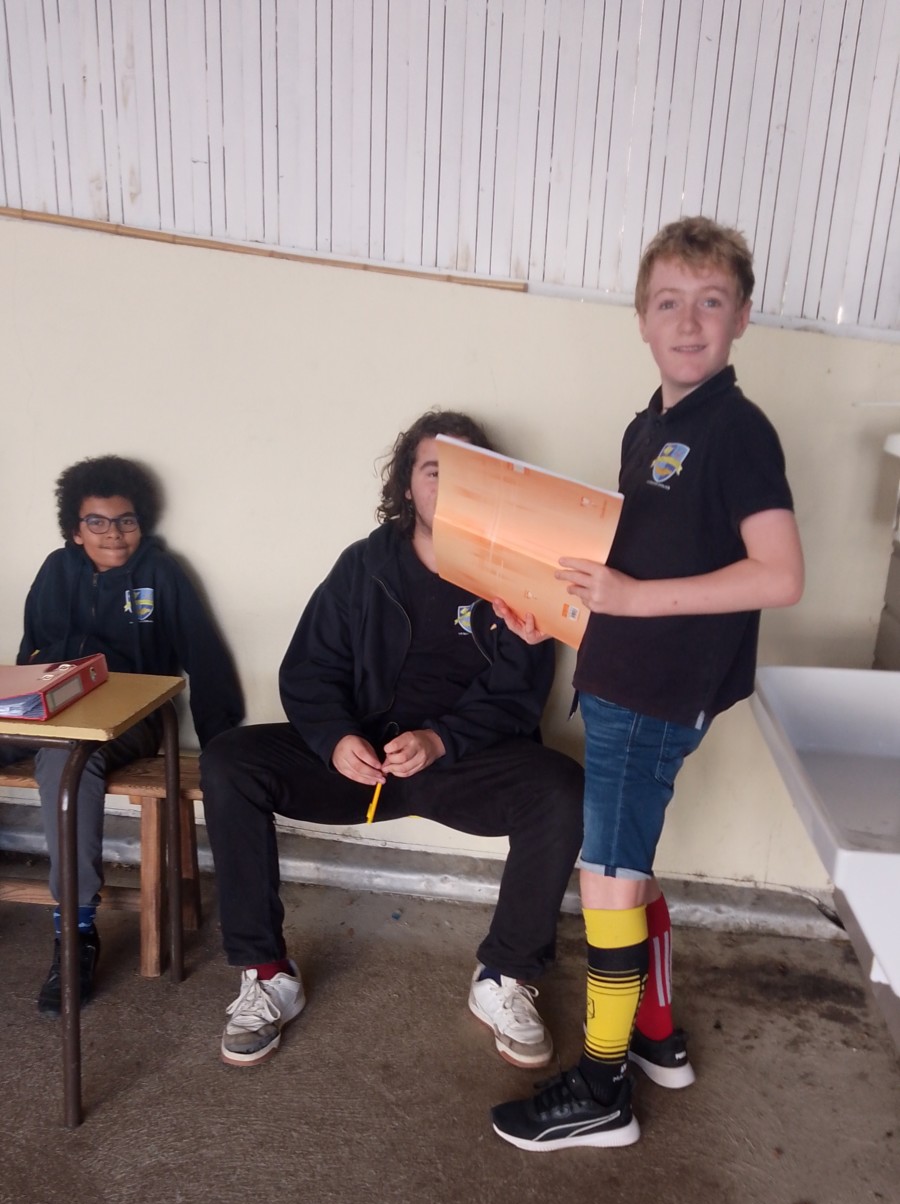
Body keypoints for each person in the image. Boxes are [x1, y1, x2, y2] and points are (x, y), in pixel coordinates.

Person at [490, 216, 805, 1151]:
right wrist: (559, 616)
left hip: (657, 694)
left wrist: (628, 599)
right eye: (669, 302)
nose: (689, 321)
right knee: (625, 863)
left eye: (711, 302)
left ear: (742, 317)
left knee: (610, 879)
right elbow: (630, 571)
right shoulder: (651, 427)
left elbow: (780, 575)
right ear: (640, 318)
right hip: (622, 678)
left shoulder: (738, 431)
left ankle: (602, 1088)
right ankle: (655, 1039)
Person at [201, 409, 589, 1070]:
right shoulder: (364, 565)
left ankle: (505, 976)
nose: (450, 486)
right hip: (363, 764)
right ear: (408, 484)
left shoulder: (514, 571)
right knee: (229, 761)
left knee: (563, 788)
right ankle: (266, 974)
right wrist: (334, 739)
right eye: (435, 471)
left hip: (458, 763)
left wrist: (441, 740)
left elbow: (520, 692)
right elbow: (309, 670)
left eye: (468, 474)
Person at [1, 455, 243, 1014]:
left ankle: (75, 932)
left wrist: (221, 747)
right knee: (52, 747)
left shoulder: (162, 574)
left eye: (125, 521)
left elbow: (205, 657)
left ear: (142, 522)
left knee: (66, 764)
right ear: (75, 529)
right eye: (98, 522)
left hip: (129, 723)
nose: (114, 533)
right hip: (52, 711)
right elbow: (30, 654)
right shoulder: (55, 571)